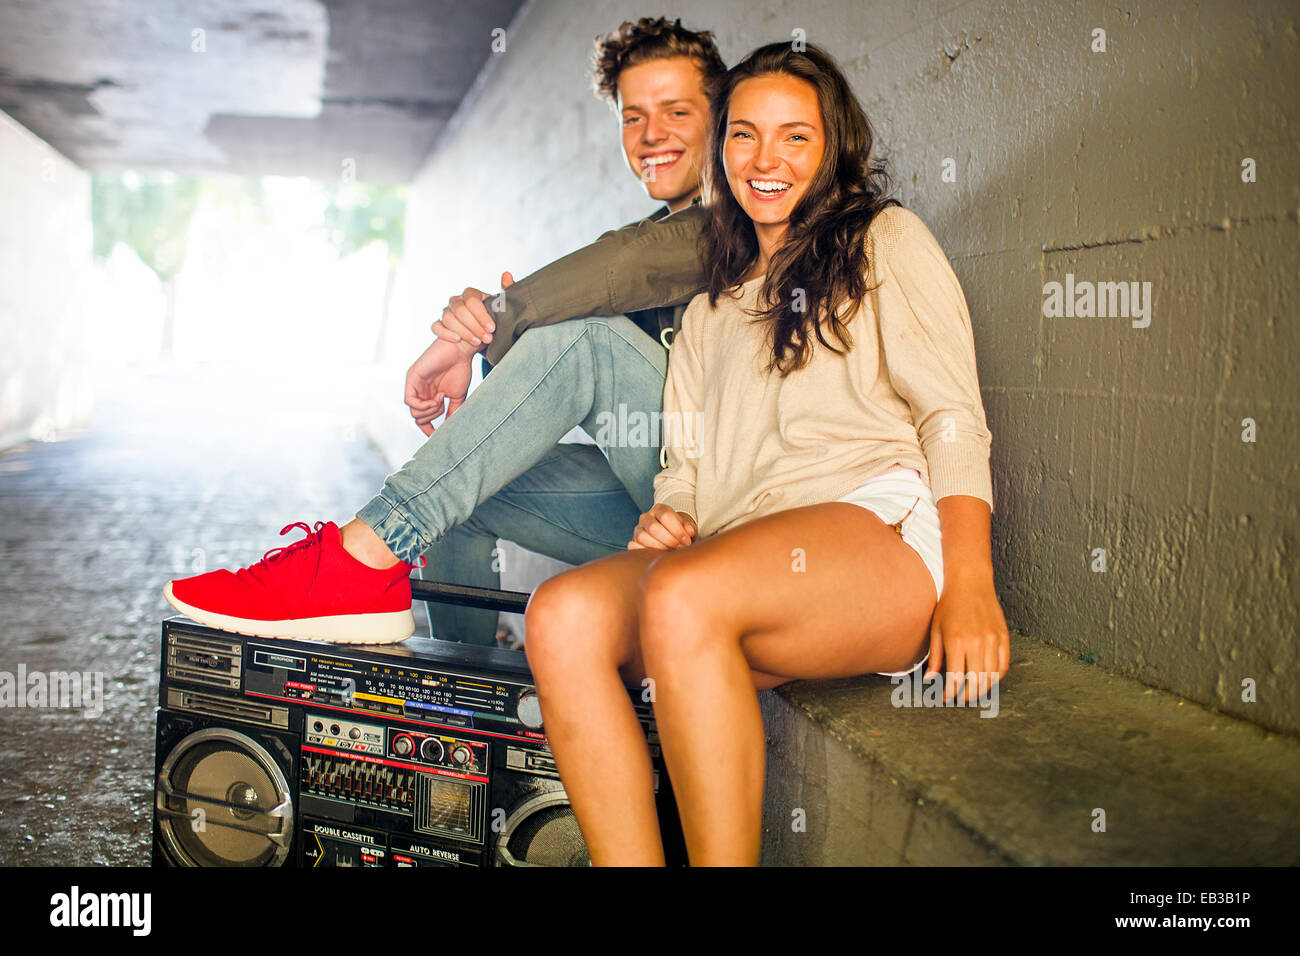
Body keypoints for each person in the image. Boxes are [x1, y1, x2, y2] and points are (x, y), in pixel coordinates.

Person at [520, 42, 1011, 866]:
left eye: (795, 136)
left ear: (833, 148)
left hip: (875, 536)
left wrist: (971, 585)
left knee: (682, 594)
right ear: (721, 153)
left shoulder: (885, 240)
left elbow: (954, 417)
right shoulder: (713, 306)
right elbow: (689, 463)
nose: (766, 159)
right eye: (744, 135)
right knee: (561, 616)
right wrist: (672, 513)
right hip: (737, 558)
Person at [163, 18, 723, 645]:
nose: (651, 135)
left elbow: (626, 270)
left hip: (731, 506)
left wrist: (491, 319)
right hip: (659, 503)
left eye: (676, 111)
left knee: (583, 334)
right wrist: (490, 327)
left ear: (721, 117)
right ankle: (457, 690)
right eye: (632, 116)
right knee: (462, 487)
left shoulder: (741, 221)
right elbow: (596, 309)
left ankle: (357, 560)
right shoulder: (645, 239)